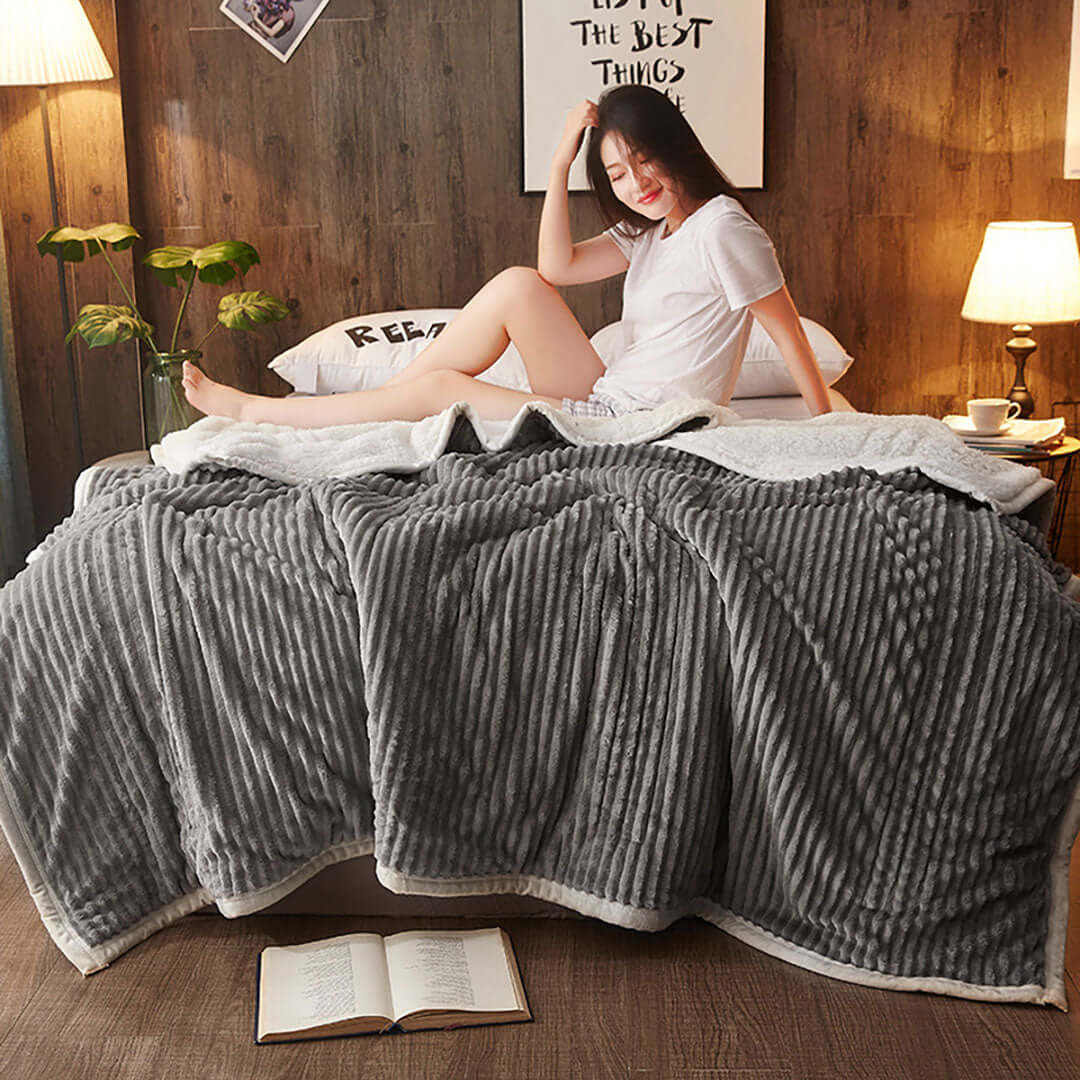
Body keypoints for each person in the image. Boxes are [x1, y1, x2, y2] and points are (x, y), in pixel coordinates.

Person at [182, 85, 831, 428]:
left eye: (643, 159)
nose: (636, 183)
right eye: (617, 173)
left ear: (673, 144)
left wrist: (827, 426)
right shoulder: (652, 231)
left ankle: (265, 411)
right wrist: (557, 163)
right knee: (520, 284)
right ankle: (380, 400)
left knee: (440, 390)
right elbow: (555, 271)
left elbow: (786, 330)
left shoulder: (722, 229)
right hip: (614, 397)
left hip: (642, 424)